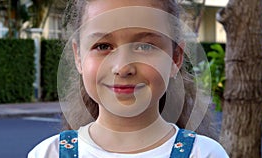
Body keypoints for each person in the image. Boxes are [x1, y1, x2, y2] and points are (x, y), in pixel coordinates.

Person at [28, 0, 229, 157]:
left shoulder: (204, 154)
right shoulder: (47, 154)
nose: (122, 68)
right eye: (103, 46)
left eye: (145, 46)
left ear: (175, 58)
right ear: (78, 57)